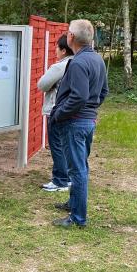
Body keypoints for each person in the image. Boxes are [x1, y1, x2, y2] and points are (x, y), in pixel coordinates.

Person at [50, 19, 108, 228]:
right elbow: (103, 92)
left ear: (71, 37)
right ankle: (73, 204)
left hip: (75, 123)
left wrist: (59, 115)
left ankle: (77, 218)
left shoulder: (78, 63)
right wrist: (89, 111)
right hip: (86, 121)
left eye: (68, 33)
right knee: (80, 165)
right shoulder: (97, 60)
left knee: (77, 170)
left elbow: (78, 97)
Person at [37, 34, 74, 192]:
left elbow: (42, 85)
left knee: (56, 146)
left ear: (64, 50)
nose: (55, 51)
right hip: (71, 110)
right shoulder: (78, 63)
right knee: (66, 147)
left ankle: (60, 180)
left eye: (57, 48)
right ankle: (69, 177)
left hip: (55, 110)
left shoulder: (60, 66)